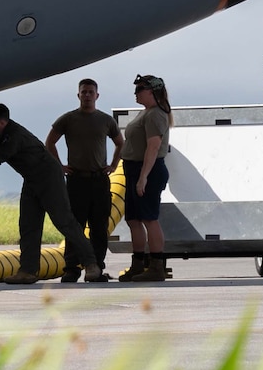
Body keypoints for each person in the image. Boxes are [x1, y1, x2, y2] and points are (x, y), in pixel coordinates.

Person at [0, 102, 102, 284]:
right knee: (28, 225)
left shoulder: (13, 136)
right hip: (31, 179)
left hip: (48, 177)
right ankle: (28, 271)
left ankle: (91, 264)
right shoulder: (2, 133)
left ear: (2, 122)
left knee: (64, 222)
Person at [47, 79, 124, 282]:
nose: (87, 95)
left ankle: (97, 267)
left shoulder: (106, 120)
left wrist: (114, 165)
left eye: (91, 92)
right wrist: (59, 166)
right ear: (78, 95)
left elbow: (120, 143)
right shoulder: (68, 119)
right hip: (76, 180)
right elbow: (50, 142)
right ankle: (71, 268)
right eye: (84, 92)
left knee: (99, 227)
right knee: (75, 225)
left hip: (99, 179)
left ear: (97, 96)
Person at [117, 75, 173, 283]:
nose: (136, 92)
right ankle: (138, 264)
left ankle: (156, 265)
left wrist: (143, 178)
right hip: (134, 169)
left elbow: (153, 146)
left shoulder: (156, 115)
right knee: (133, 219)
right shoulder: (147, 113)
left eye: (140, 89)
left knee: (149, 218)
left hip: (147, 170)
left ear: (153, 91)